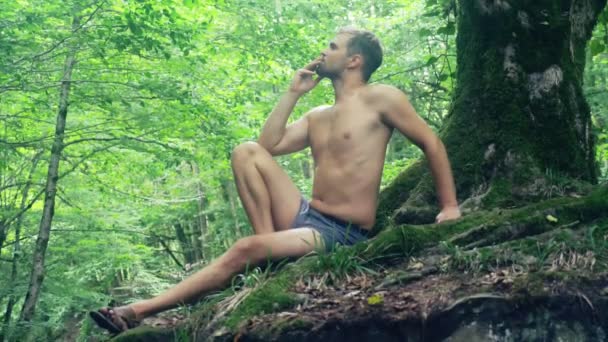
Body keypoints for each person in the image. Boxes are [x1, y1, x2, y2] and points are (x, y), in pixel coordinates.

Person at [90, 27, 461, 334]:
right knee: (245, 151)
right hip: (303, 217)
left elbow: (431, 143)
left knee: (243, 249)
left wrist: (449, 206)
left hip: (340, 233)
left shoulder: (381, 98)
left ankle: (136, 311)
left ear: (354, 60)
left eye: (331, 46)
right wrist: (292, 93)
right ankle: (266, 257)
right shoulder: (318, 114)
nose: (322, 51)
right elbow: (268, 146)